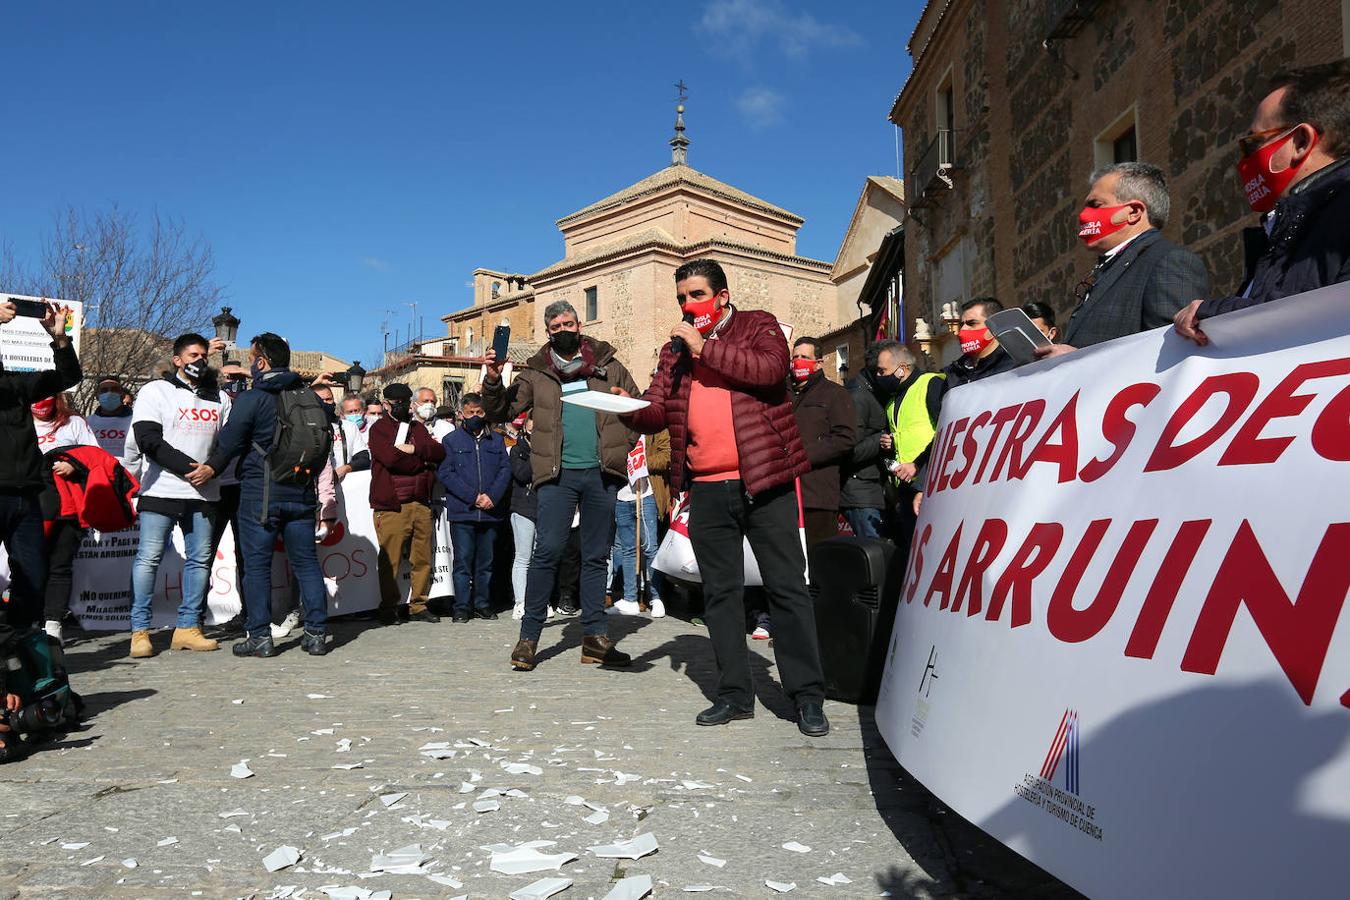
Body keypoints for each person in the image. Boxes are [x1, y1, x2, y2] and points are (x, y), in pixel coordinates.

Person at [623, 259, 830, 737]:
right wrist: (628, 408)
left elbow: (769, 371)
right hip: (706, 488)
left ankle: (806, 696)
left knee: (786, 588)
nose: (687, 305)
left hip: (765, 480)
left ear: (720, 296)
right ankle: (735, 695)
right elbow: (659, 410)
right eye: (681, 298)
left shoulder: (758, 326)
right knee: (719, 594)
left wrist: (705, 346)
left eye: (695, 295)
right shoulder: (673, 353)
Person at [481, 300, 640, 672]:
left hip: (601, 473)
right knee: (547, 552)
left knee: (596, 555)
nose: (564, 329)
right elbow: (501, 412)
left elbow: (635, 408)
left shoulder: (609, 364)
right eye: (556, 327)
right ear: (548, 333)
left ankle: (595, 639)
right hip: (557, 475)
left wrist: (623, 446)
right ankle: (529, 638)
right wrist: (492, 378)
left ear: (579, 324)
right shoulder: (536, 372)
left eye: (569, 323)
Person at [1175, 60, 1350, 345]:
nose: (1244, 161)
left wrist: (1209, 315)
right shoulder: (1284, 227)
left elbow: (1324, 321)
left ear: (1301, 142)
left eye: (1252, 143)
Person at [202, 333, 333, 657]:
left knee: (257, 567)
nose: (250, 364)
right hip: (301, 492)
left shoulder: (253, 398)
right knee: (306, 564)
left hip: (261, 494)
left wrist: (210, 469)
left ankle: (260, 636)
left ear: (261, 362)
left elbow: (229, 444)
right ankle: (316, 634)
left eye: (251, 358)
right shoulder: (310, 396)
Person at [0, 300, 79, 762]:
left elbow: (68, 377)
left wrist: (58, 336)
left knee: (34, 576)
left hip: (25, 495)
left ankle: (23, 669)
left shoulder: (18, 385)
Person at [127, 333, 230, 659]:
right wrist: (190, 469)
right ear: (177, 360)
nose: (199, 361)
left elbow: (228, 443)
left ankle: (188, 628)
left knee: (200, 560)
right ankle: (139, 631)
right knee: (149, 558)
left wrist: (211, 469)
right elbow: (148, 439)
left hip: (205, 494)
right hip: (161, 490)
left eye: (203, 356)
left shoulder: (220, 398)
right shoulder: (155, 391)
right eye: (192, 355)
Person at [1054, 162, 1209, 349]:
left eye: (1095, 205)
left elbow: (1173, 351)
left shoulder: (1169, 261)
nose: (1084, 215)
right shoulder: (1113, 265)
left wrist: (1074, 360)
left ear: (1134, 212)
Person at [367, 382, 446, 625]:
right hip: (392, 505)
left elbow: (439, 452)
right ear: (387, 404)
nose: (403, 407)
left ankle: (419, 605)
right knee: (390, 558)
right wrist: (422, 462)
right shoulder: (379, 429)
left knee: (422, 557)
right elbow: (391, 459)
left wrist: (414, 449)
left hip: (420, 501)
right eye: (397, 403)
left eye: (405, 402)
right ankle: (388, 607)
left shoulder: (417, 428)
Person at [31, 392, 99, 643]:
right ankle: (26, 623)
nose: (40, 402)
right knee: (27, 566)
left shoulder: (74, 423)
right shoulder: (16, 420)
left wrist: (75, 465)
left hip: (68, 506)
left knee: (59, 566)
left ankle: (53, 624)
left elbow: (95, 457)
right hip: (30, 505)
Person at [438, 392, 510, 622]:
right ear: (461, 414)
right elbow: (446, 473)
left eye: (479, 412)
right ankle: (461, 607)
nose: (475, 417)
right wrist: (473, 497)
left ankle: (482, 603)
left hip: (490, 511)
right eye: (471, 413)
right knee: (462, 563)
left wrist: (492, 496)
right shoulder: (451, 441)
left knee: (486, 563)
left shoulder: (496, 440)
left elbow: (505, 470)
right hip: (463, 511)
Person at [789, 337, 856, 549]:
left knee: (818, 556)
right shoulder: (782, 393)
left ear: (818, 362)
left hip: (817, 494)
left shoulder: (835, 394)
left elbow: (845, 438)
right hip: (784, 493)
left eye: (805, 357)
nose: (798, 361)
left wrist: (803, 455)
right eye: (795, 357)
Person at [606, 433, 667, 619]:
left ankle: (656, 598)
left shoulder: (652, 430)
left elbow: (666, 456)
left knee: (650, 548)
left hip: (646, 496)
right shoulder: (615, 430)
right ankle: (630, 598)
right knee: (628, 550)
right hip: (621, 498)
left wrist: (642, 463)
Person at [839, 346, 891, 540]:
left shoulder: (874, 392)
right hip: (861, 493)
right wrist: (881, 438)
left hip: (872, 488)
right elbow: (848, 450)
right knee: (874, 553)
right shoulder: (858, 396)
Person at [508, 416, 538, 621]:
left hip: (544, 507)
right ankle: (520, 601)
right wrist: (537, 454)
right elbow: (522, 475)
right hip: (523, 507)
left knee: (539, 557)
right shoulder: (518, 450)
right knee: (523, 556)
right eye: (531, 430)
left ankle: (537, 600)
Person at [87, 377, 137, 473]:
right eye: (104, 390)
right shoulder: (87, 423)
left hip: (131, 483)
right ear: (97, 396)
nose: (109, 394)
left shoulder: (136, 421)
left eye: (114, 390)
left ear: (122, 395)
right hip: (97, 481)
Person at [334, 393, 372, 481]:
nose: (354, 414)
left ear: (363, 411)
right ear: (342, 414)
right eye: (350, 412)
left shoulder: (374, 428)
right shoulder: (338, 430)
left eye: (357, 411)